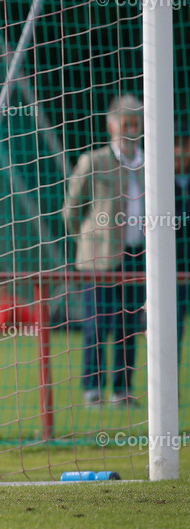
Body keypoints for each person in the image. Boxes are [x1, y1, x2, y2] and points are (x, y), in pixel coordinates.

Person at [64, 94, 145, 407]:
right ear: (111, 125)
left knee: (129, 326)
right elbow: (71, 209)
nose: (131, 129)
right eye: (125, 123)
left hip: (137, 257)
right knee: (96, 324)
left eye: (135, 123)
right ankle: (92, 389)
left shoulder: (148, 161)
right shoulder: (93, 161)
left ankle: (121, 390)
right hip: (98, 260)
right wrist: (88, 242)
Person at [174, 124, 190, 360]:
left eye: (185, 145)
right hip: (171, 270)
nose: (179, 151)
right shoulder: (155, 182)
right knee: (172, 327)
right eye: (175, 144)